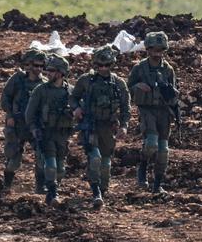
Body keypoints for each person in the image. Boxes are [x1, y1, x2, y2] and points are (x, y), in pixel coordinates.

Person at [72, 45, 130, 208]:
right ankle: (95, 190)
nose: (103, 69)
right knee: (94, 158)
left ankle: (102, 190)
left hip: (108, 127)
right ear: (95, 66)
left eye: (107, 66)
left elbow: (126, 107)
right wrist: (76, 108)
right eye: (100, 66)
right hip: (90, 125)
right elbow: (73, 97)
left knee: (105, 163)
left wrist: (124, 126)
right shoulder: (85, 81)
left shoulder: (118, 83)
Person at [127, 31, 179, 194]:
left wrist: (170, 92)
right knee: (151, 143)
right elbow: (127, 88)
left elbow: (175, 92)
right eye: (154, 49)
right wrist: (138, 87)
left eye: (160, 50)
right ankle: (142, 167)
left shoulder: (168, 69)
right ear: (148, 50)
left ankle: (158, 184)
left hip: (163, 112)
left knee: (163, 150)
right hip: (147, 110)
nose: (157, 53)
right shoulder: (139, 68)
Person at [25, 55, 75, 206]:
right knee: (51, 166)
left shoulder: (71, 91)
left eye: (52, 71)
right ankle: (53, 193)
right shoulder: (41, 90)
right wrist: (34, 129)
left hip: (63, 134)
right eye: (48, 70)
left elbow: (79, 110)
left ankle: (51, 192)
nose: (48, 73)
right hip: (46, 133)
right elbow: (30, 113)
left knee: (60, 169)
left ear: (61, 73)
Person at [0, 48, 47, 191]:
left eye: (41, 66)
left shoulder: (44, 84)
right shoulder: (17, 80)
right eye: (36, 65)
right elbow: (5, 98)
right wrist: (10, 115)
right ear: (29, 65)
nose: (39, 69)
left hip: (35, 125)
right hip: (17, 124)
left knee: (41, 155)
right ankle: (7, 185)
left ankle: (40, 187)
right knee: (13, 158)